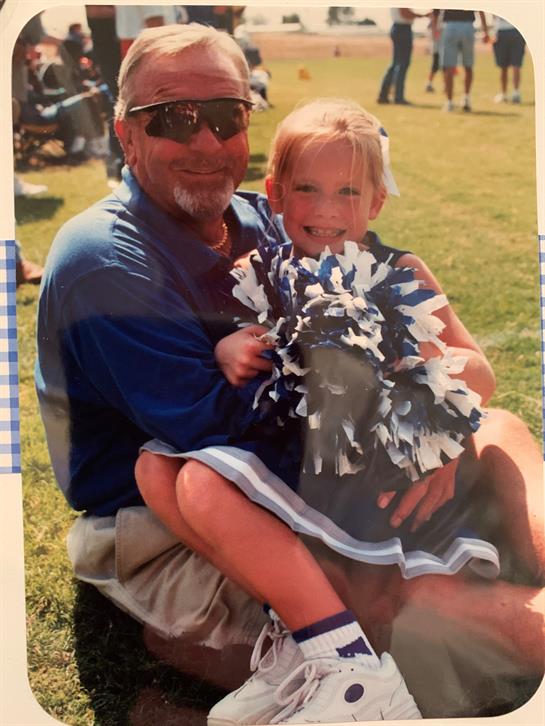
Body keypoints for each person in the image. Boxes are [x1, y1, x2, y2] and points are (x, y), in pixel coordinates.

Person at [35, 22, 544, 723]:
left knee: (500, 428)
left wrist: (436, 436)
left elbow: (395, 346)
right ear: (124, 134)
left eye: (223, 116)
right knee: (400, 595)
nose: (205, 141)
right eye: (171, 120)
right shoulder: (105, 257)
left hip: (300, 462)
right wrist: (396, 444)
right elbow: (221, 429)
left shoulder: (265, 220)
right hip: (175, 509)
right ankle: (371, 660)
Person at [440, 9, 489, 112]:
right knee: (468, 65)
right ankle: (466, 99)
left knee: (449, 66)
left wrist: (435, 26)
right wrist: (485, 31)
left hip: (451, 26)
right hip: (467, 26)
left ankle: (449, 102)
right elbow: (481, 9)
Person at [377, 8, 429, 106]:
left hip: (399, 28)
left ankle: (384, 95)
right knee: (402, 64)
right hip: (402, 29)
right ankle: (398, 97)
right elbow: (405, 13)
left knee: (396, 63)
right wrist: (422, 15)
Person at [492, 16, 525, 103]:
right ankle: (515, 93)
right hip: (517, 31)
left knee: (504, 66)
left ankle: (504, 94)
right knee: (516, 64)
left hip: (503, 31)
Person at [424, 9, 441, 92]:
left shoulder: (437, 14)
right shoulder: (435, 14)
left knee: (442, 66)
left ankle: (430, 84)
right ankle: (429, 84)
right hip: (437, 44)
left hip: (440, 44)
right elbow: (434, 31)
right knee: (435, 65)